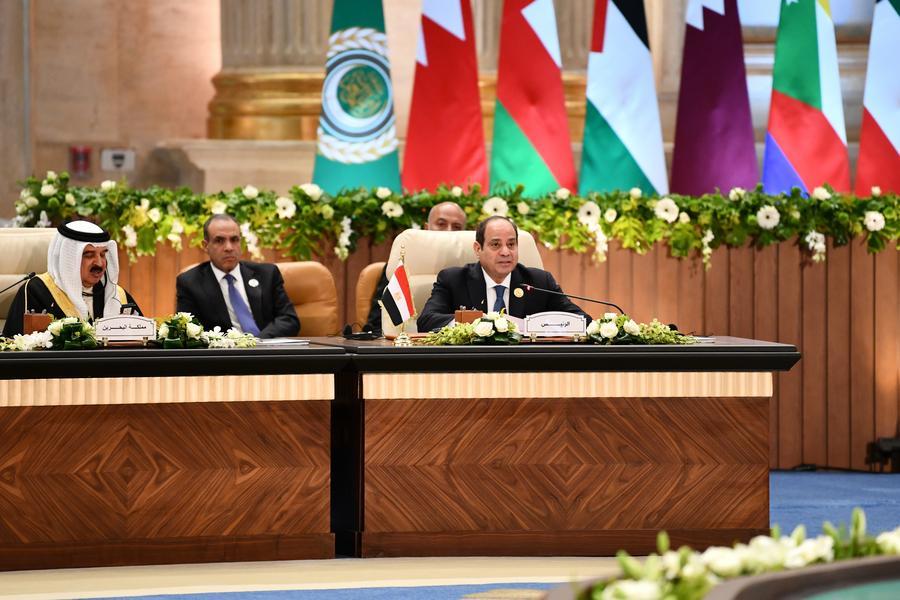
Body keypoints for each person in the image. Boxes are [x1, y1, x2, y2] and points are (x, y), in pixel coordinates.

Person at [416, 215, 590, 332]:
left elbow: (583, 320)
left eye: (511, 244)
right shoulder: (453, 280)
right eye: (496, 245)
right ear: (478, 249)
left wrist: (538, 325)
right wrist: (478, 321)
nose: (506, 252)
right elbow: (426, 322)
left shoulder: (539, 282)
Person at [2, 220, 142, 337]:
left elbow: (145, 339)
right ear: (68, 258)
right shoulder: (37, 292)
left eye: (103, 254)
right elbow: (16, 347)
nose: (99, 263)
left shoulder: (116, 296)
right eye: (89, 255)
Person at [176, 214, 299, 338]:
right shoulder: (190, 283)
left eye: (234, 240)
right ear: (205, 246)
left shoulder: (267, 274)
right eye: (219, 241)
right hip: (224, 349)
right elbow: (188, 331)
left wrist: (257, 342)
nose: (229, 248)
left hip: (266, 346)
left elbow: (289, 320)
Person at [363, 201, 467, 333]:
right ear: (426, 228)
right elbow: (377, 323)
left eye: (457, 227)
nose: (449, 231)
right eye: (441, 224)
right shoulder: (402, 264)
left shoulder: (471, 269)